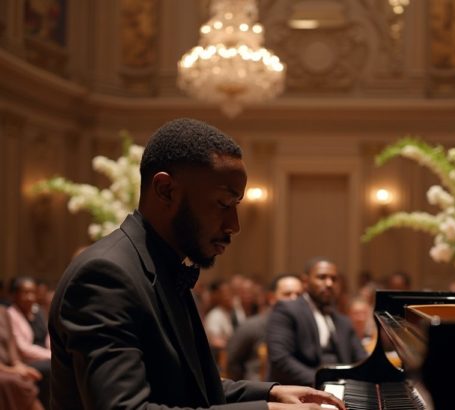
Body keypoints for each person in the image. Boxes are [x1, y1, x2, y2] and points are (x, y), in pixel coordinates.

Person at [48, 118, 345, 410]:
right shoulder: (105, 275)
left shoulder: (160, 265)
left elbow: (194, 391)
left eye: (236, 206)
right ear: (165, 189)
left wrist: (272, 393)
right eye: (223, 204)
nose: (234, 225)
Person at [266, 257, 368, 386]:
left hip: (341, 388)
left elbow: (361, 359)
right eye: (322, 277)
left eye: (334, 279)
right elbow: (280, 360)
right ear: (305, 281)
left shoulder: (343, 321)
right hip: (298, 390)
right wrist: (325, 383)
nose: (329, 283)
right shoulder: (286, 310)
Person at [226, 273, 304, 381]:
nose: (294, 299)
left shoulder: (307, 327)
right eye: (287, 294)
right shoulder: (252, 326)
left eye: (299, 295)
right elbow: (232, 363)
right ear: (271, 298)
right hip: (258, 393)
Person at [0, 305, 44, 410]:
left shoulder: (3, 312)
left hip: (8, 366)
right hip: (2, 369)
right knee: (16, 382)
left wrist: (17, 364)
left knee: (42, 373)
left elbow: (11, 343)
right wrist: (10, 370)